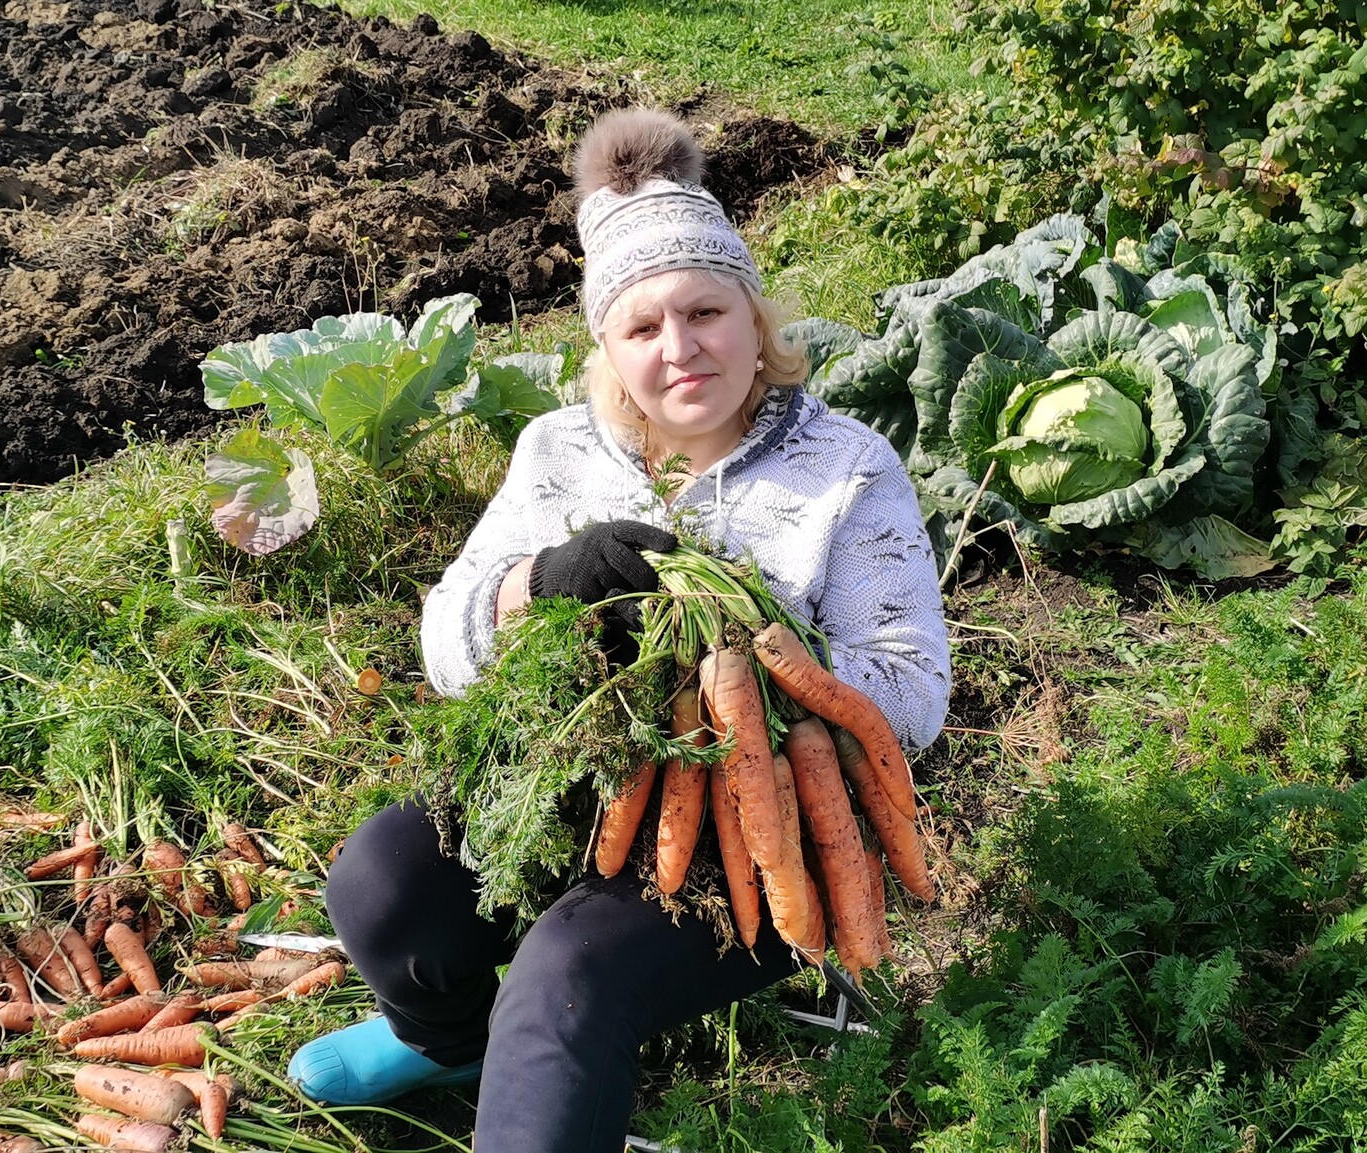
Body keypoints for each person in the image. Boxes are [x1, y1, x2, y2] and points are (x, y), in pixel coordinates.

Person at [285, 108, 952, 1152]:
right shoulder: (557, 449)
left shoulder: (846, 464)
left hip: (755, 824)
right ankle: (441, 1038)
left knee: (568, 975)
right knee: (381, 882)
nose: (680, 350)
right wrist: (540, 586)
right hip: (569, 789)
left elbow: (910, 694)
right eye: (641, 329)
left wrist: (751, 644)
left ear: (752, 312)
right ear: (605, 344)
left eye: (704, 312)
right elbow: (445, 644)